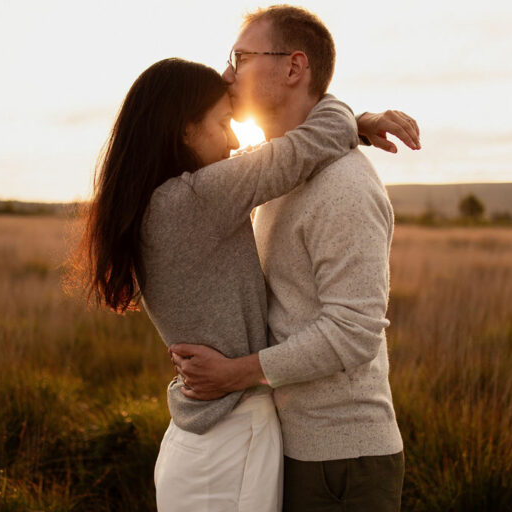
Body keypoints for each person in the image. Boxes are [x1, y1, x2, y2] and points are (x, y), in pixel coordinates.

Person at [74, 56, 416, 511]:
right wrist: (355, 117)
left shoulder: (163, 201)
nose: (235, 141)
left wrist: (352, 124)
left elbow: (303, 147)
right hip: (230, 442)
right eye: (222, 123)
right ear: (184, 131)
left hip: (201, 441)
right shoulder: (197, 198)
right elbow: (311, 143)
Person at [170, 5, 418, 512]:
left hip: (343, 459)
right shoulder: (275, 174)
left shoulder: (344, 185)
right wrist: (356, 119)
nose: (227, 74)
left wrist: (236, 372)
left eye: (240, 58)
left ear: (293, 67)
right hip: (292, 444)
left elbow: (353, 331)